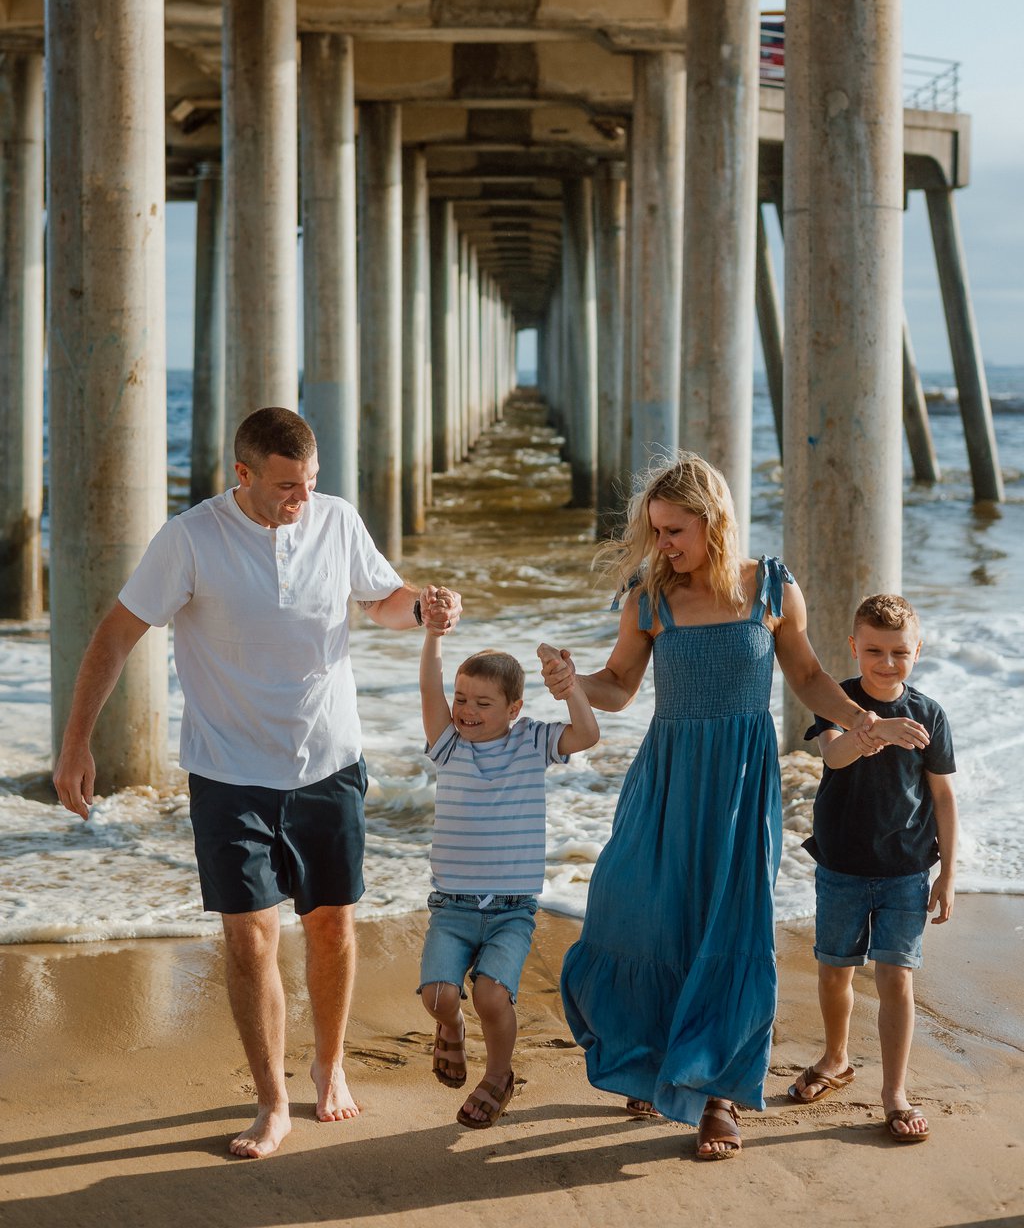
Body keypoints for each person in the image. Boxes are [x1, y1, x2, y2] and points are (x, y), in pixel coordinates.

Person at [53, 406, 462, 1161]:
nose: (299, 500)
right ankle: (272, 1099)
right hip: (228, 771)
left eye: (308, 483)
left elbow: (381, 601)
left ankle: (330, 1066)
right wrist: (76, 741)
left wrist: (424, 608)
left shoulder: (335, 521)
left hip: (328, 761)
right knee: (249, 935)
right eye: (284, 487)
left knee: (332, 925)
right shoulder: (191, 539)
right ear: (242, 476)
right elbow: (116, 635)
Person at [541, 453, 931, 1160]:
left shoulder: (772, 587)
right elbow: (619, 686)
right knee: (637, 905)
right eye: (656, 531)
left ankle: (718, 1094)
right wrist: (572, 682)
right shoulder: (651, 597)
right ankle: (655, 1059)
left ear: (713, 520)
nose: (663, 544)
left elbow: (809, 675)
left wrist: (863, 724)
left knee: (731, 927)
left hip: (742, 781)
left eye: (675, 530)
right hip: (667, 775)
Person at [418, 609, 598, 1128]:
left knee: (492, 994)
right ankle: (450, 1029)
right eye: (461, 699)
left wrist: (569, 688)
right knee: (438, 996)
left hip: (511, 910)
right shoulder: (447, 744)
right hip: (451, 907)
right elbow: (430, 690)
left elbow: (586, 734)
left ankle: (499, 1075)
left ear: (514, 708)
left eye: (481, 703)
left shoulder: (532, 741)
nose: (466, 711)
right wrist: (433, 637)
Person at [787, 593, 957, 1143]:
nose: (887, 662)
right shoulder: (838, 700)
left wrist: (949, 874)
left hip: (907, 869)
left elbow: (944, 799)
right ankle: (835, 1058)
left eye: (900, 652)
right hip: (841, 865)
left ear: (918, 650)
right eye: (875, 650)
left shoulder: (930, 714)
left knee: (895, 978)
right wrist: (875, 730)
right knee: (835, 970)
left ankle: (895, 1093)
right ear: (854, 646)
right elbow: (832, 756)